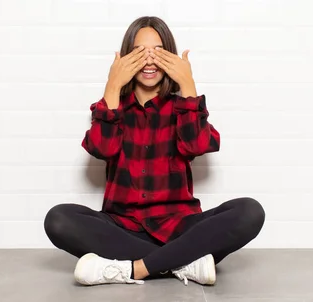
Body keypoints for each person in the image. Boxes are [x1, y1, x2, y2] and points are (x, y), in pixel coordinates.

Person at [44, 16, 265, 286]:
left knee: (249, 211)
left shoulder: (183, 106)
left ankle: (134, 269)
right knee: (58, 219)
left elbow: (197, 144)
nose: (149, 61)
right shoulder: (112, 108)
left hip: (180, 227)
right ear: (125, 59)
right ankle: (182, 263)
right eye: (139, 52)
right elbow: (101, 148)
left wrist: (188, 85)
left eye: (158, 52)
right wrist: (112, 86)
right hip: (123, 228)